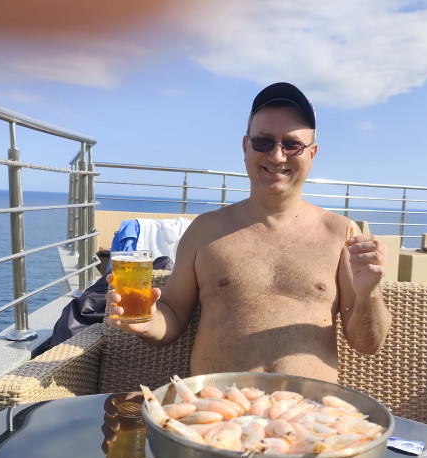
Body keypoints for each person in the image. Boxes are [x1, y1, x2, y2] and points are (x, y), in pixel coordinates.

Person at [105, 82, 391, 383]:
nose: (277, 156)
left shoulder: (341, 234)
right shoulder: (205, 231)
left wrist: (369, 293)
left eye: (292, 144)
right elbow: (172, 314)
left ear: (312, 154)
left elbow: (367, 344)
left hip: (309, 409)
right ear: (245, 147)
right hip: (215, 407)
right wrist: (149, 321)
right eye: (263, 142)